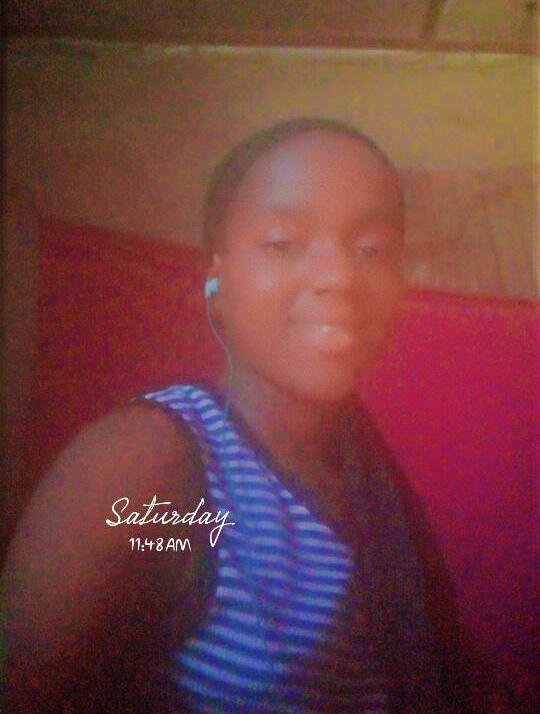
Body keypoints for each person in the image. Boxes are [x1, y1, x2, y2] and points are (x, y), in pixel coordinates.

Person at [2, 118, 490, 713]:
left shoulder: (367, 475)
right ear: (217, 274)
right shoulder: (148, 469)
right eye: (283, 243)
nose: (339, 276)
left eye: (371, 250)